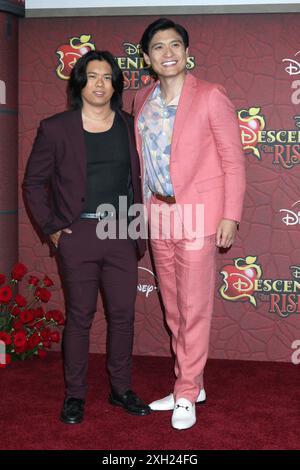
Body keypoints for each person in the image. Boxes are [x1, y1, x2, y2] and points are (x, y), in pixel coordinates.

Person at [23, 50, 151, 424]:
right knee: (80, 316)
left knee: (123, 316)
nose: (99, 84)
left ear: (116, 84)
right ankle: (75, 395)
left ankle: (120, 389)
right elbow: (33, 183)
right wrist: (53, 229)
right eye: (92, 76)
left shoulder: (130, 125)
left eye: (107, 77)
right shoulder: (56, 127)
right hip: (77, 232)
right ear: (79, 82)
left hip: (121, 230)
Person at [133, 18, 246, 430]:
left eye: (175, 45)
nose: (168, 53)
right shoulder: (141, 100)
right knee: (175, 309)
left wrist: (230, 216)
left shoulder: (211, 96)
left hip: (200, 213)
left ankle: (185, 393)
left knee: (195, 307)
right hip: (158, 213)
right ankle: (190, 383)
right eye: (159, 47)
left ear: (186, 51)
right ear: (147, 57)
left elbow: (233, 161)